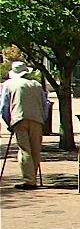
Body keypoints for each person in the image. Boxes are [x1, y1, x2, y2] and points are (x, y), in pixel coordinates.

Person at [1, 60, 51, 188]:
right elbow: (45, 105)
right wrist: (43, 119)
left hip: (19, 119)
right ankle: (32, 178)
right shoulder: (36, 85)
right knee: (35, 150)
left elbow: (4, 107)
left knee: (24, 150)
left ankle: (29, 180)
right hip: (37, 120)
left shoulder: (8, 84)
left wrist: (9, 123)